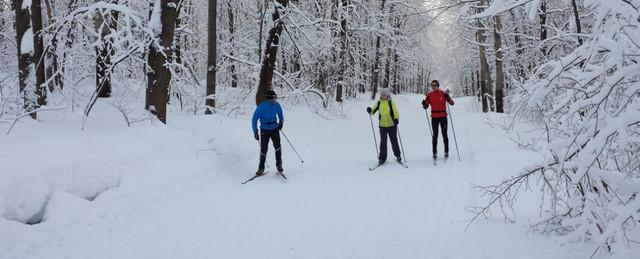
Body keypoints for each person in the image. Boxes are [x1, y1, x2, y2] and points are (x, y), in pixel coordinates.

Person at [252, 90, 284, 176]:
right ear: (269, 99)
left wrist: (281, 123)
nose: (275, 100)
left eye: (275, 98)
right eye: (273, 98)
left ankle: (279, 166)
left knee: (278, 147)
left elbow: (280, 114)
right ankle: (261, 168)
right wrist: (255, 131)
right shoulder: (261, 107)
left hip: (274, 129)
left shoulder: (276, 105)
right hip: (264, 130)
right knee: (264, 149)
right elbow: (254, 119)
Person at [367, 87, 401, 165]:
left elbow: (395, 111)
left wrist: (396, 119)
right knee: (383, 142)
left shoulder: (390, 102)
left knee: (394, 141)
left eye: (384, 94)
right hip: (382, 125)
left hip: (391, 124)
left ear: (388, 95)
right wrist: (370, 110)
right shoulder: (379, 102)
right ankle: (382, 158)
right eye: (382, 94)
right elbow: (373, 111)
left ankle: (398, 155)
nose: (383, 96)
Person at [422, 80, 454, 159]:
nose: (434, 87)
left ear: (438, 86)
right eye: (432, 86)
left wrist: (448, 97)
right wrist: (424, 104)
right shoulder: (430, 95)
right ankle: (434, 152)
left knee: (444, 134)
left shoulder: (443, 93)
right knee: (435, 135)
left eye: (435, 85)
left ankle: (446, 151)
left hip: (443, 117)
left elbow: (452, 103)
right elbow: (426, 106)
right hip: (434, 117)